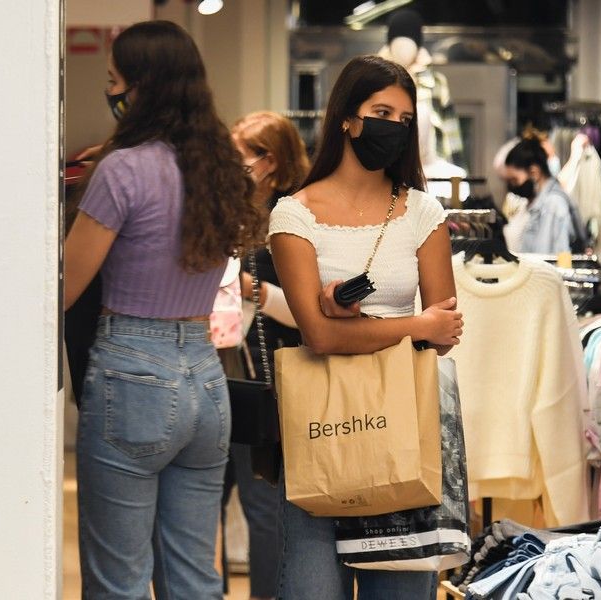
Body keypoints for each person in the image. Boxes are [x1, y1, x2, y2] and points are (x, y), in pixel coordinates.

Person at [63, 20, 266, 599]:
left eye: (113, 79)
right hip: (206, 377)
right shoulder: (221, 170)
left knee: (118, 580)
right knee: (194, 576)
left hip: (131, 374)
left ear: (142, 86)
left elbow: (66, 286)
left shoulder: (122, 170)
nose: (110, 92)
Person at [268, 55, 463, 599]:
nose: (394, 129)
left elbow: (444, 329)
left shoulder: (423, 212)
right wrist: (412, 323)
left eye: (404, 119)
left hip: (404, 429)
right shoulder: (294, 214)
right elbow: (321, 336)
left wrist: (365, 320)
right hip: (320, 430)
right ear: (347, 119)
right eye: (382, 112)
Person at [220, 111, 309, 600]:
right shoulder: (224, 211)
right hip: (217, 372)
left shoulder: (291, 219)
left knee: (262, 505)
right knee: (206, 502)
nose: (233, 165)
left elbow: (308, 313)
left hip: (266, 381)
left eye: (241, 155)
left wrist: (255, 290)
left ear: (270, 161)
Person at [503, 137, 587, 255]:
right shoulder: (540, 203)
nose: (512, 187)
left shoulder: (553, 204)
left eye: (515, 180)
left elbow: (546, 260)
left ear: (534, 172)